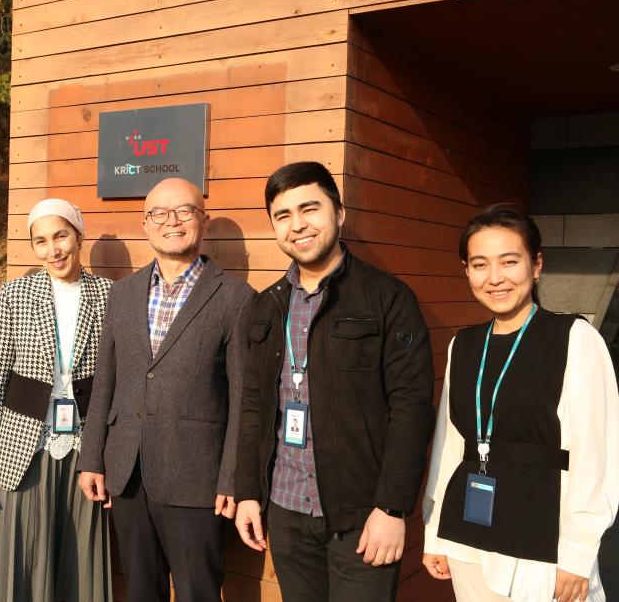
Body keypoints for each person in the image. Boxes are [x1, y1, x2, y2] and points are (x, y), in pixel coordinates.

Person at [234, 161, 435, 602]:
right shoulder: (266, 307)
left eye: (310, 209)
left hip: (362, 516)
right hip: (286, 510)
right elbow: (253, 408)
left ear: (339, 214)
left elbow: (412, 407)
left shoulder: (387, 298)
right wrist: (248, 491)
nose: (297, 225)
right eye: (283, 215)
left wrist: (392, 507)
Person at [421, 204, 619, 602]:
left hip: (543, 546)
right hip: (468, 538)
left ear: (536, 264)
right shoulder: (463, 344)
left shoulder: (574, 339)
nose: (495, 278)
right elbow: (450, 445)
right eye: (480, 264)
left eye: (509, 261)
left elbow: (597, 454)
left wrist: (578, 554)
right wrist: (433, 530)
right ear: (467, 271)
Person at [78, 177, 255, 602]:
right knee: (140, 590)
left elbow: (243, 399)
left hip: (197, 477)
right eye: (159, 213)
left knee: (199, 591)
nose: (171, 221)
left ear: (203, 221)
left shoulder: (236, 298)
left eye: (184, 211)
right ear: (145, 224)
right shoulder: (121, 295)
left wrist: (232, 477)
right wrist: (92, 458)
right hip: (128, 471)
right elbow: (106, 381)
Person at [0, 199, 113, 602]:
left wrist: (109, 456)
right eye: (42, 241)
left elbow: (116, 382)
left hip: (87, 449)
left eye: (61, 236)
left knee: (79, 555)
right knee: (23, 555)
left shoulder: (109, 295)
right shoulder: (15, 294)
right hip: (23, 447)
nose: (54, 250)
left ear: (78, 236)